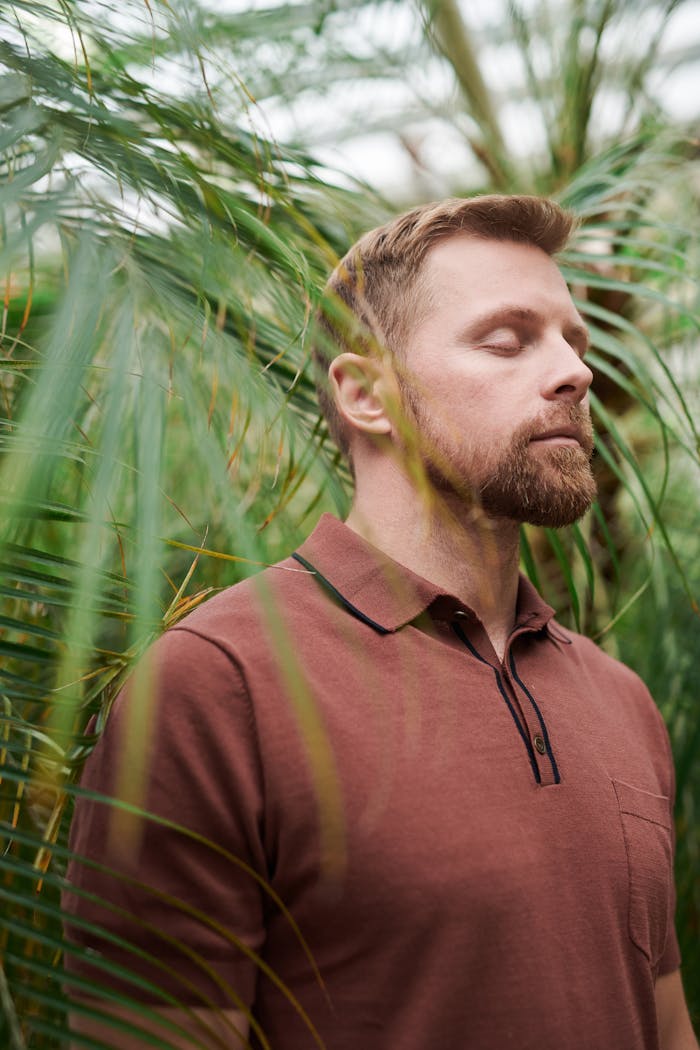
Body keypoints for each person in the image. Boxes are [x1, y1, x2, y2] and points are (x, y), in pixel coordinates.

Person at [64, 195, 698, 1050]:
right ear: (366, 395)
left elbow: (663, 1025)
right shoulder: (217, 686)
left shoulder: (621, 701)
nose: (574, 372)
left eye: (573, 343)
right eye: (508, 341)